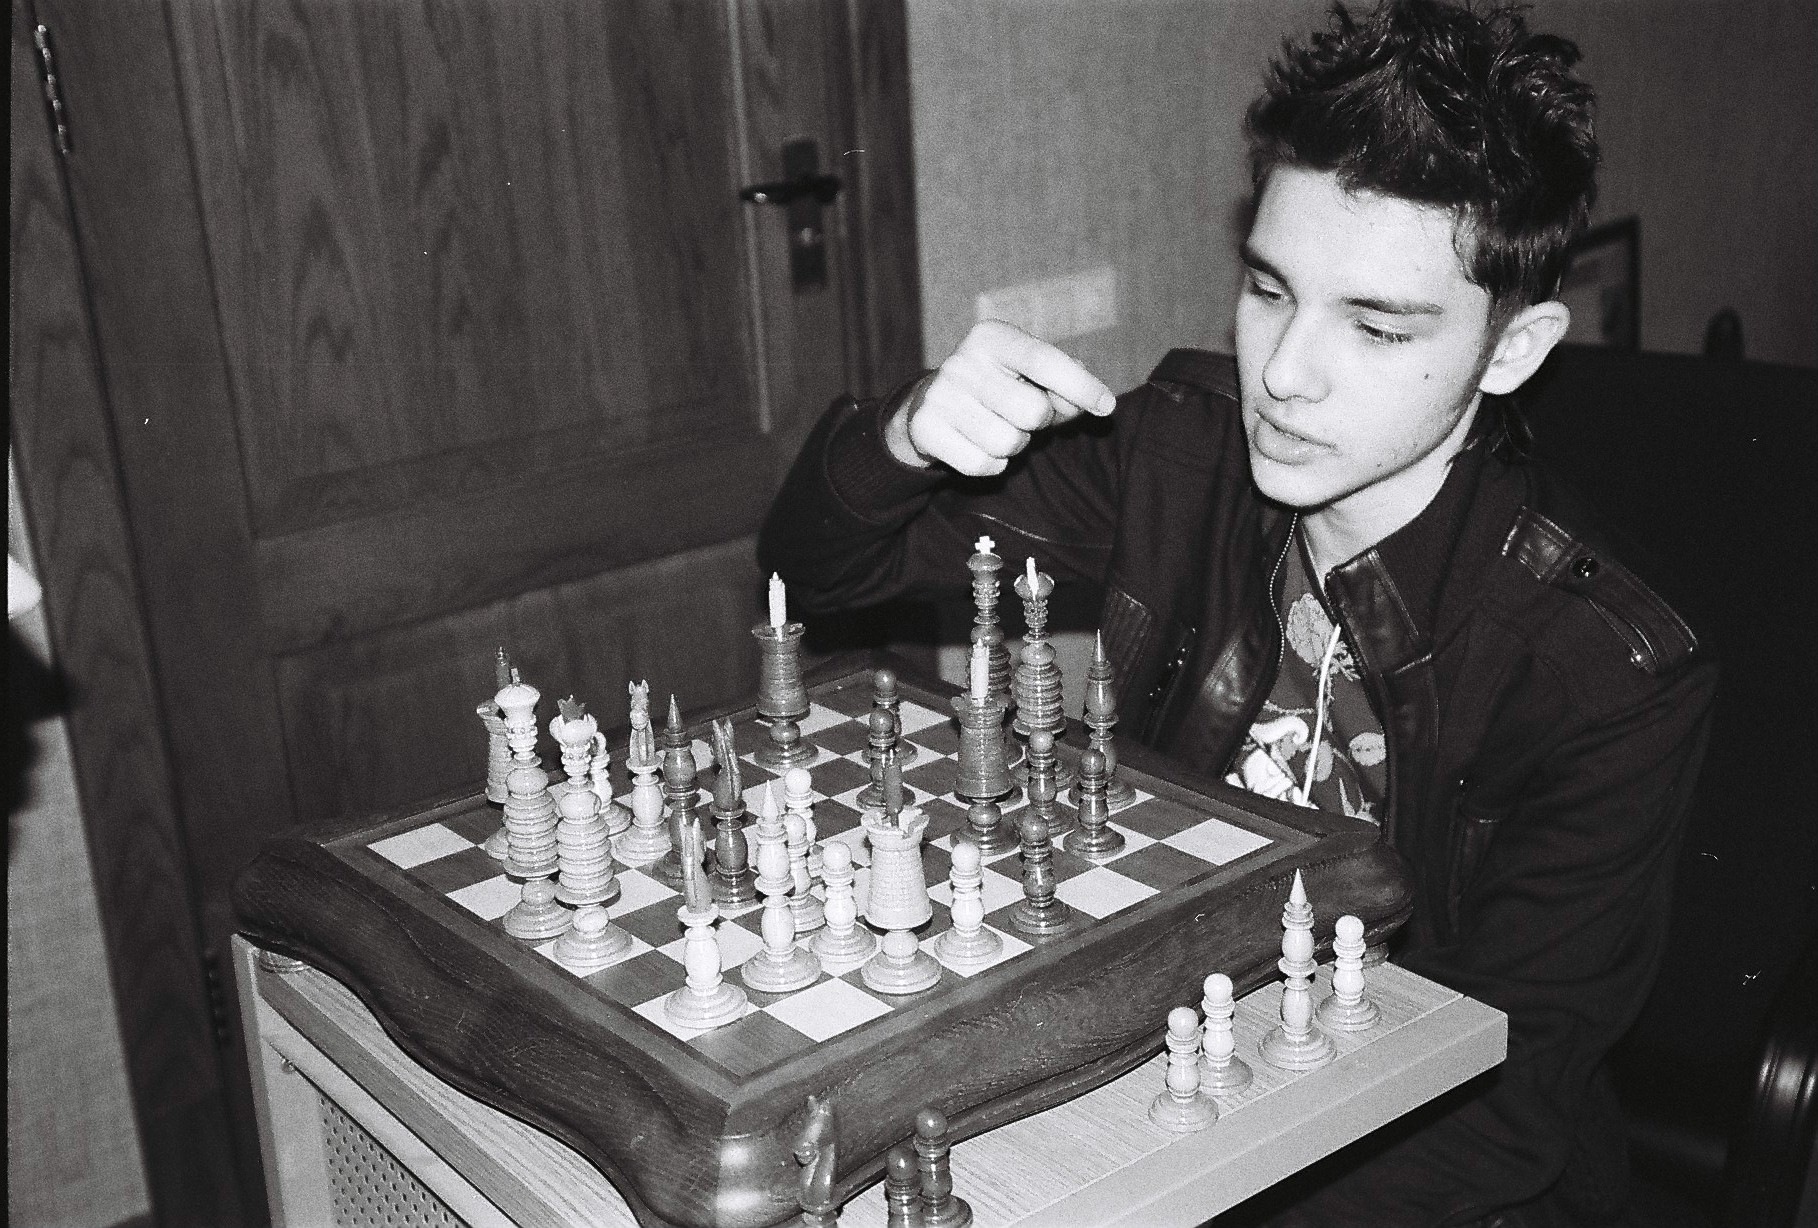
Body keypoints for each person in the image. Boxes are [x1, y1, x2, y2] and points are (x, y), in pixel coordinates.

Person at [758, 1, 1716, 1224]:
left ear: (1515, 349)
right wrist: (903, 432)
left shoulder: (1608, 672)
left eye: (1376, 326)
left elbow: (1496, 1109)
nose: (1282, 374)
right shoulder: (1178, 455)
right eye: (1270, 289)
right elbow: (818, 574)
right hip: (1159, 1079)